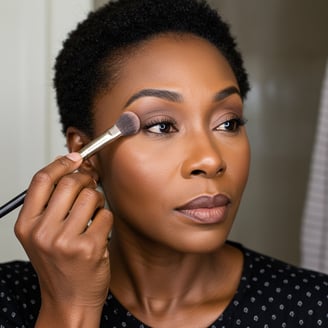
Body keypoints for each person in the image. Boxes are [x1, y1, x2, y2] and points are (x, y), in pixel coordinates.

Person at [0, 0, 327, 327]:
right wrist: (70, 307)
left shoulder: (314, 306)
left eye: (228, 123)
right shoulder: (11, 300)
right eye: (161, 126)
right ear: (86, 154)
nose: (211, 160)